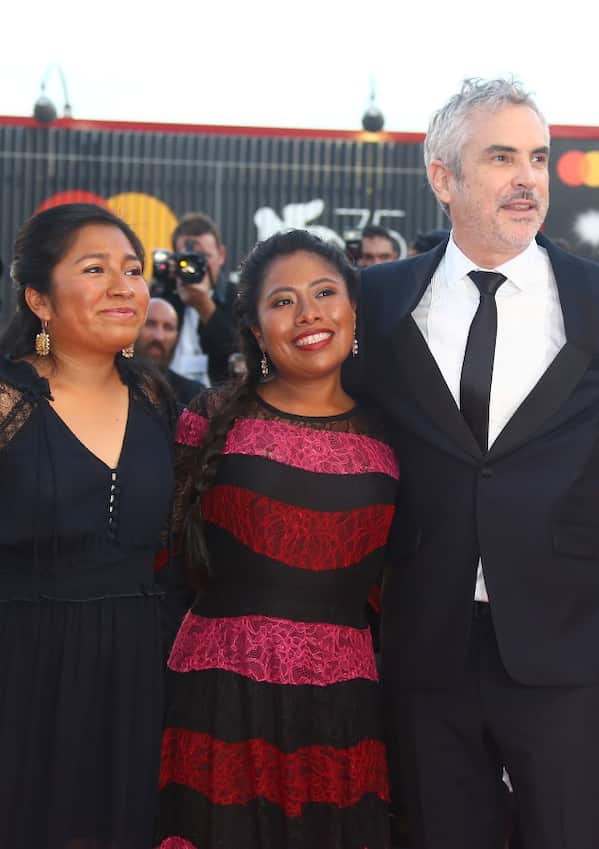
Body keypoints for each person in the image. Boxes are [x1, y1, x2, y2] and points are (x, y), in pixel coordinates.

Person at [347, 78, 599, 849]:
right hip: (427, 644)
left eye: (539, 157)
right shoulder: (378, 301)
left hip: (567, 647)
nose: (527, 178)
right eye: (501, 157)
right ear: (443, 176)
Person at [0, 203, 175, 849]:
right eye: (95, 268)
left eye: (133, 270)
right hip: (6, 677)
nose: (123, 285)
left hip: (135, 682)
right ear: (39, 299)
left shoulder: (167, 401)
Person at [155, 229, 395, 849]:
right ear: (258, 332)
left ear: (353, 312)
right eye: (283, 301)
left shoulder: (398, 436)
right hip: (220, 699)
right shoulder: (208, 419)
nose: (309, 312)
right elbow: (161, 561)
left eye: (324, 293)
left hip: (343, 707)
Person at [153, 213, 238, 387]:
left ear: (221, 255)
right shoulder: (163, 296)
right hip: (167, 396)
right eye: (187, 260)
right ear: (174, 259)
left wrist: (204, 306)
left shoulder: (239, 298)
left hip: (220, 401)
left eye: (203, 258)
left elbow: (240, 357)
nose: (195, 268)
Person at [134, 296, 203, 405]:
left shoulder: (193, 395)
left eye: (168, 327)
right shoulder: (108, 386)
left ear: (176, 336)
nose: (159, 336)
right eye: (150, 324)